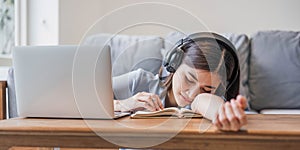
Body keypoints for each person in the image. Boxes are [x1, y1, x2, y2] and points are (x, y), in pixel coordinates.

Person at [113, 32, 247, 131]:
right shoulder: (138, 81)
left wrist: (223, 114)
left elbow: (209, 104)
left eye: (207, 89)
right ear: (174, 64)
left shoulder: (203, 100)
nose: (192, 94)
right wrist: (123, 104)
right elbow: (92, 101)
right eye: (189, 79)